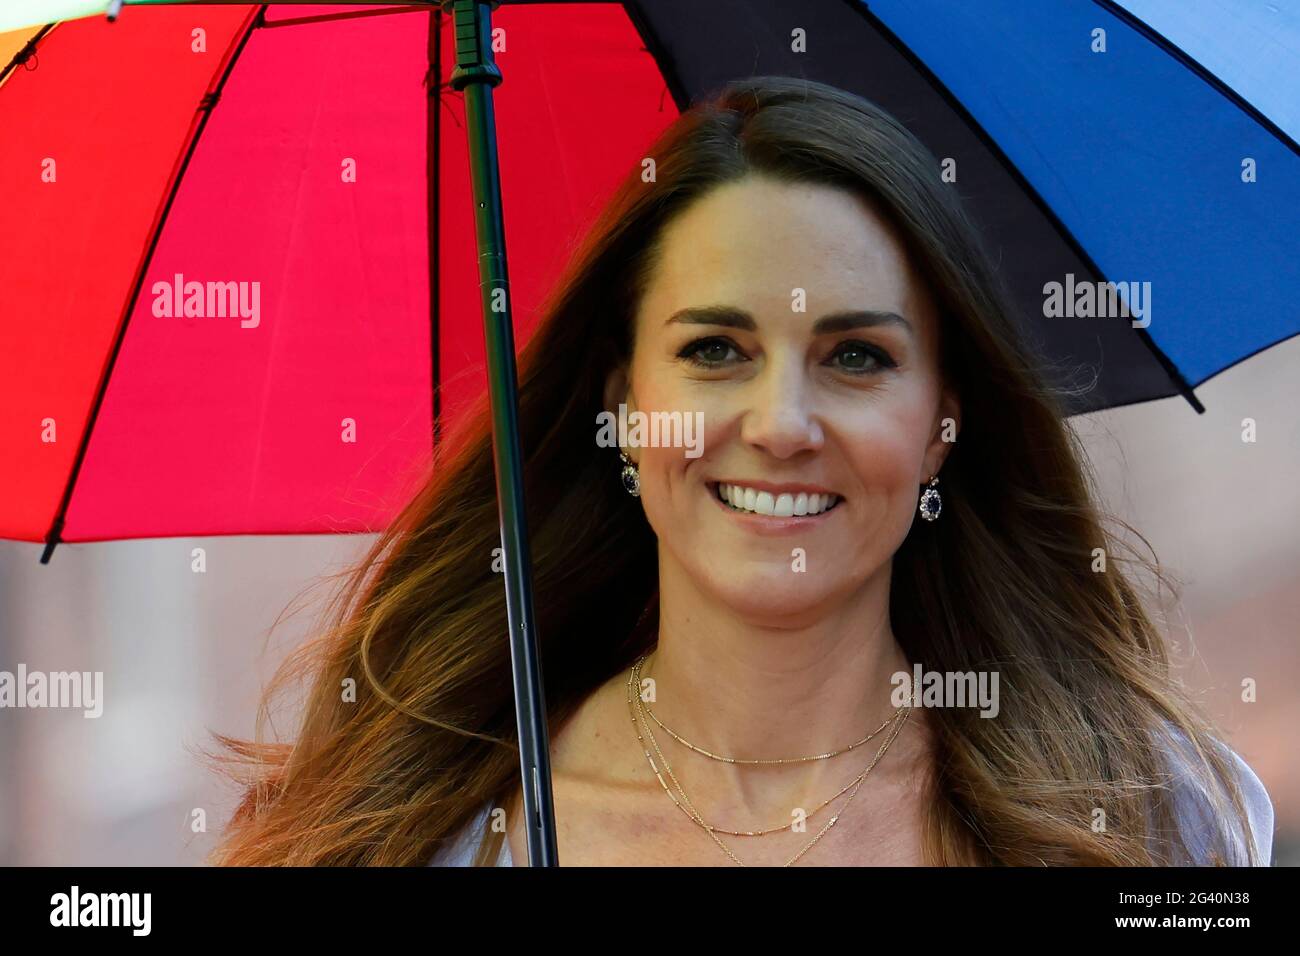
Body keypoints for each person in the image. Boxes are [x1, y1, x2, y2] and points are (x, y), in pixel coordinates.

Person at [210, 76, 1273, 867]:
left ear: (942, 423)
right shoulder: (423, 836)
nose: (781, 424)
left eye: (856, 357)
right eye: (715, 350)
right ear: (623, 406)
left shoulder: (1151, 816)